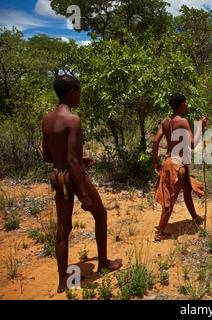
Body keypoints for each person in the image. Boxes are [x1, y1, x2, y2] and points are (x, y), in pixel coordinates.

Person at [42, 75, 122, 293]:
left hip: (56, 175)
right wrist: (84, 195)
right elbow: (72, 162)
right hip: (73, 176)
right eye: (79, 92)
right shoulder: (73, 119)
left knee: (63, 228)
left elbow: (49, 156)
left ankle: (62, 282)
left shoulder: (47, 119)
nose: (79, 96)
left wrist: (78, 157)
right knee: (101, 215)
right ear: (71, 93)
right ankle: (104, 263)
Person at [153, 93, 206, 241]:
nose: (187, 105)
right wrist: (200, 127)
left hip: (168, 161)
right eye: (186, 102)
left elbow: (156, 142)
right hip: (178, 165)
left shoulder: (166, 121)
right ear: (182, 104)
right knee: (171, 199)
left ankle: (195, 217)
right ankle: (159, 232)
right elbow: (194, 144)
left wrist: (156, 162)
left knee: (187, 190)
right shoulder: (183, 121)